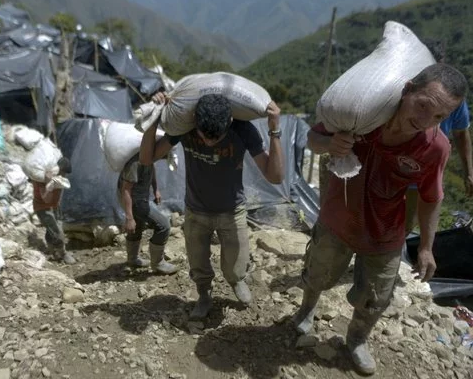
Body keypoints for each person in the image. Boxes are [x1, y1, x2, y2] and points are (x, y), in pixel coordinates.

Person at [293, 63, 467, 375]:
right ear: (408, 89)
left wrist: (426, 247)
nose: (425, 120)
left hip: (384, 232)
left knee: (375, 297)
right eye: (423, 105)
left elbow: (431, 197)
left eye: (439, 117)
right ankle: (306, 309)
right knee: (317, 273)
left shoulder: (435, 148)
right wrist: (330, 144)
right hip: (337, 218)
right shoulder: (362, 116)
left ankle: (357, 338)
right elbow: (312, 139)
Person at [141, 93, 285, 319]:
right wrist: (153, 118)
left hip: (232, 211)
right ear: (196, 122)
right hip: (196, 211)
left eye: (215, 137)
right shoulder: (184, 127)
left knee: (235, 266)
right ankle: (205, 295)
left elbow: (275, 176)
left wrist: (275, 129)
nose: (208, 142)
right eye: (204, 135)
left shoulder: (243, 130)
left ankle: (236, 281)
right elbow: (147, 158)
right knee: (198, 264)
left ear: (228, 123)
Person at [405, 100, 472, 233]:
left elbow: (461, 133)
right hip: (386, 164)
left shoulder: (455, 95)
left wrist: (469, 172)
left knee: (406, 225)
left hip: (425, 172)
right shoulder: (406, 86)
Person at [118, 149, 178, 274]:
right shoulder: (135, 162)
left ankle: (132, 259)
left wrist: (156, 189)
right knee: (164, 226)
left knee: (138, 226)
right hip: (134, 201)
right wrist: (129, 217)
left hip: (141, 198)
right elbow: (125, 190)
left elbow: (152, 170)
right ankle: (158, 264)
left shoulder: (148, 157)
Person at [32, 157, 72, 261]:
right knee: (57, 231)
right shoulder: (42, 179)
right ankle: (63, 254)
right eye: (63, 173)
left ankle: (52, 250)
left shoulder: (57, 179)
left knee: (55, 229)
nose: (63, 176)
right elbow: (45, 198)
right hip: (43, 208)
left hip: (54, 206)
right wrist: (50, 185)